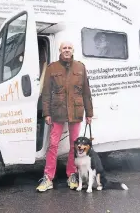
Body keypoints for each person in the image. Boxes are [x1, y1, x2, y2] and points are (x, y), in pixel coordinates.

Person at [36, 41, 94, 192]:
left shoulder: (80, 67)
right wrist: (47, 113)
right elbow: (46, 93)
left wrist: (89, 113)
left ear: (72, 50)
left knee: (74, 146)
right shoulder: (52, 68)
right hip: (58, 112)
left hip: (76, 112)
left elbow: (86, 93)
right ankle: (48, 177)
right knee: (53, 145)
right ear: (60, 51)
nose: (67, 50)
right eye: (64, 48)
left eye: (69, 48)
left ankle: (72, 174)